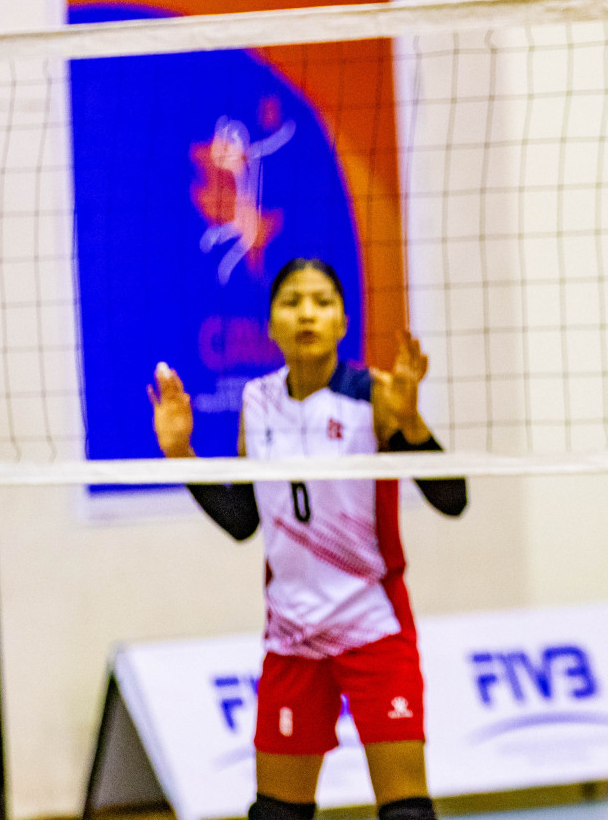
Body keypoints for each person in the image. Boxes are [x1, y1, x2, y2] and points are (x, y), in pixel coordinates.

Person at [149, 258, 467, 820]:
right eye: (292, 302)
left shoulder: (377, 393)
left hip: (372, 624)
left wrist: (413, 425)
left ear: (343, 322)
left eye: (322, 302)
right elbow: (244, 520)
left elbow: (452, 500)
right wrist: (182, 455)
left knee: (406, 813)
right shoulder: (256, 400)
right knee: (277, 813)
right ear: (271, 324)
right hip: (291, 633)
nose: (307, 314)